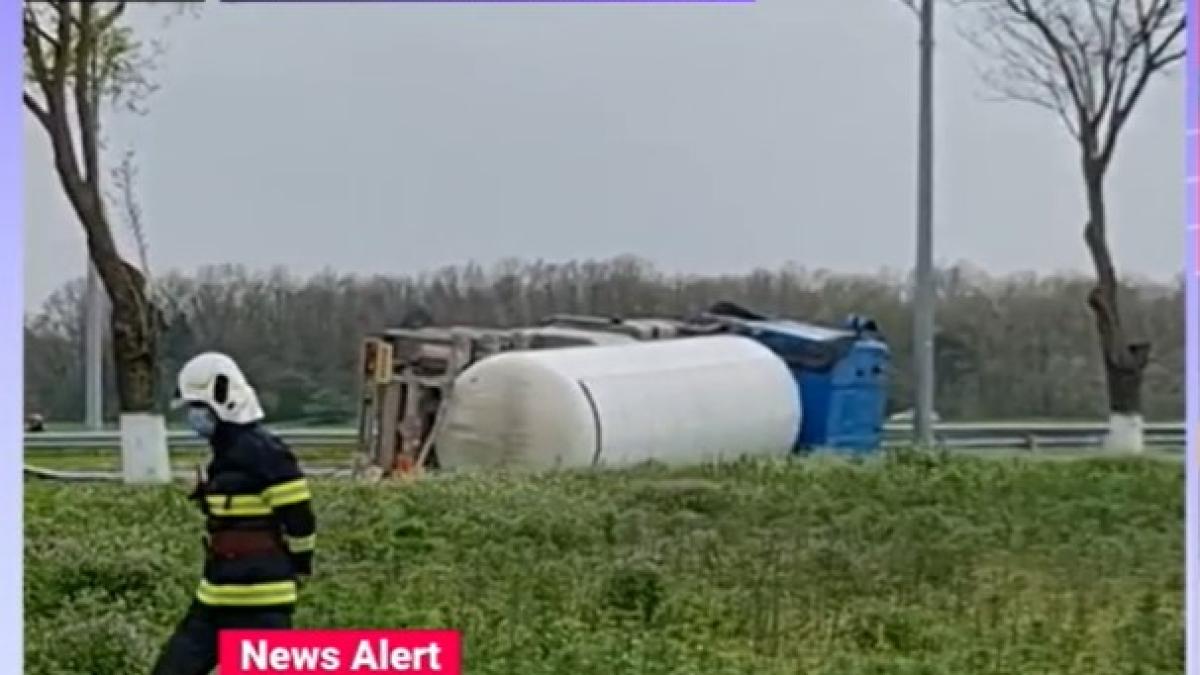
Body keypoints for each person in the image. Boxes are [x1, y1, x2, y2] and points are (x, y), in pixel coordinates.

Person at [150, 352, 316, 675]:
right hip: (216, 596)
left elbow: (299, 519)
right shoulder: (223, 457)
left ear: (222, 401)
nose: (194, 417)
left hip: (261, 603)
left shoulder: (267, 454)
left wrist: (299, 565)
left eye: (198, 408)